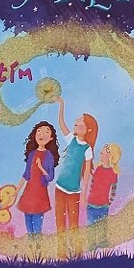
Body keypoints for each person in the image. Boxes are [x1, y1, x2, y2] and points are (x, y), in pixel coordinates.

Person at [52, 97, 97, 232]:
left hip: (74, 192)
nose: (76, 122)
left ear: (89, 129)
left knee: (73, 225)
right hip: (60, 188)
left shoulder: (87, 149)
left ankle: (76, 246)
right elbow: (61, 124)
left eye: (80, 121)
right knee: (60, 223)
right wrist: (61, 105)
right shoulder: (71, 139)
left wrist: (83, 194)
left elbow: (87, 173)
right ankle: (61, 247)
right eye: (77, 121)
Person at [13, 120, 58, 236]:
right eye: (39, 131)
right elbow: (26, 174)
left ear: (51, 138)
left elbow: (50, 178)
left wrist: (41, 167)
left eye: (46, 132)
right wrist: (16, 191)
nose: (41, 134)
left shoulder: (49, 156)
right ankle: (31, 245)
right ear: (35, 135)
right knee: (29, 226)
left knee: (37, 227)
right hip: (28, 194)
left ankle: (37, 246)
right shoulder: (32, 154)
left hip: (40, 195)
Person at [86, 143, 121, 229]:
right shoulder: (98, 169)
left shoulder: (113, 173)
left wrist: (109, 202)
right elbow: (92, 184)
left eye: (102, 153)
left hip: (103, 207)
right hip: (91, 205)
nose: (100, 155)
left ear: (110, 156)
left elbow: (113, 190)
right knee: (91, 230)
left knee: (102, 230)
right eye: (101, 153)